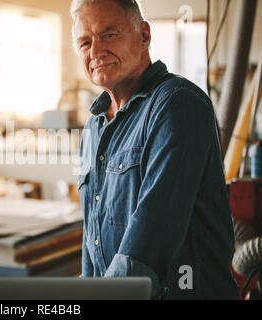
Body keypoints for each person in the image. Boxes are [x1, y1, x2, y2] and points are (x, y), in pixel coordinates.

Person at [72, 0, 238, 299]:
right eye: (85, 42)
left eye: (109, 35)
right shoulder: (93, 127)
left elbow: (152, 230)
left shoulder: (177, 105)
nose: (96, 51)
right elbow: (91, 245)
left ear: (144, 35)